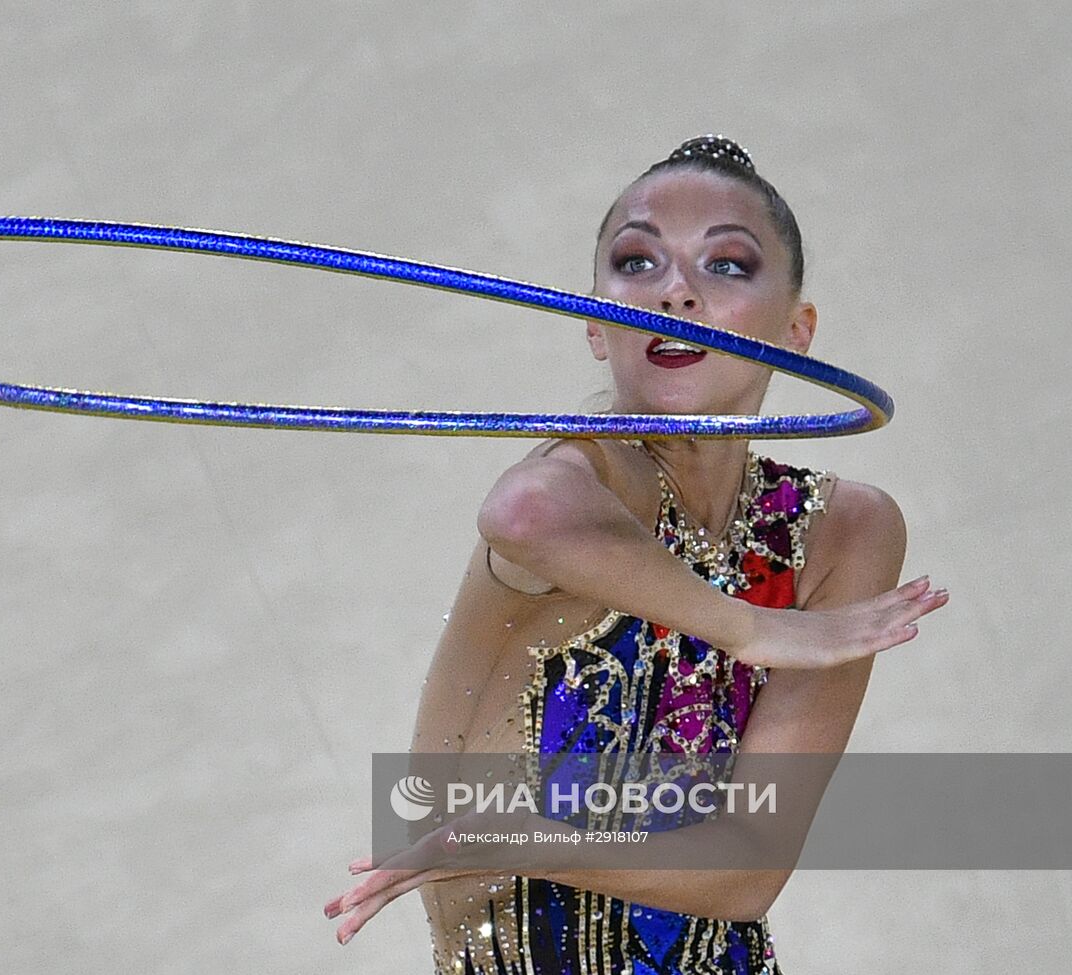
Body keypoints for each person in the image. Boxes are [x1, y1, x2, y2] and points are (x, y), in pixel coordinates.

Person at [323, 135, 950, 974]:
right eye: (637, 262)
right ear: (595, 320)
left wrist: (525, 838)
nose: (676, 292)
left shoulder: (843, 530)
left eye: (726, 265)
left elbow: (749, 867)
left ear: (797, 330)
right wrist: (746, 629)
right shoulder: (586, 484)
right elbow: (520, 511)